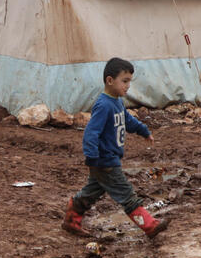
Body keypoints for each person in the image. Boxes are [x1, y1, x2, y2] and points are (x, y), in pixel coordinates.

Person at [61, 57, 170, 238]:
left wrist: (143, 131)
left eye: (129, 82)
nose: (127, 86)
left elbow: (128, 120)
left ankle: (71, 219)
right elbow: (91, 133)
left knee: (92, 191)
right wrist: (92, 156)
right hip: (105, 161)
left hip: (107, 160)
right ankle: (150, 226)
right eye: (124, 81)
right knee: (126, 194)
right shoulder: (103, 105)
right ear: (110, 81)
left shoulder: (117, 102)